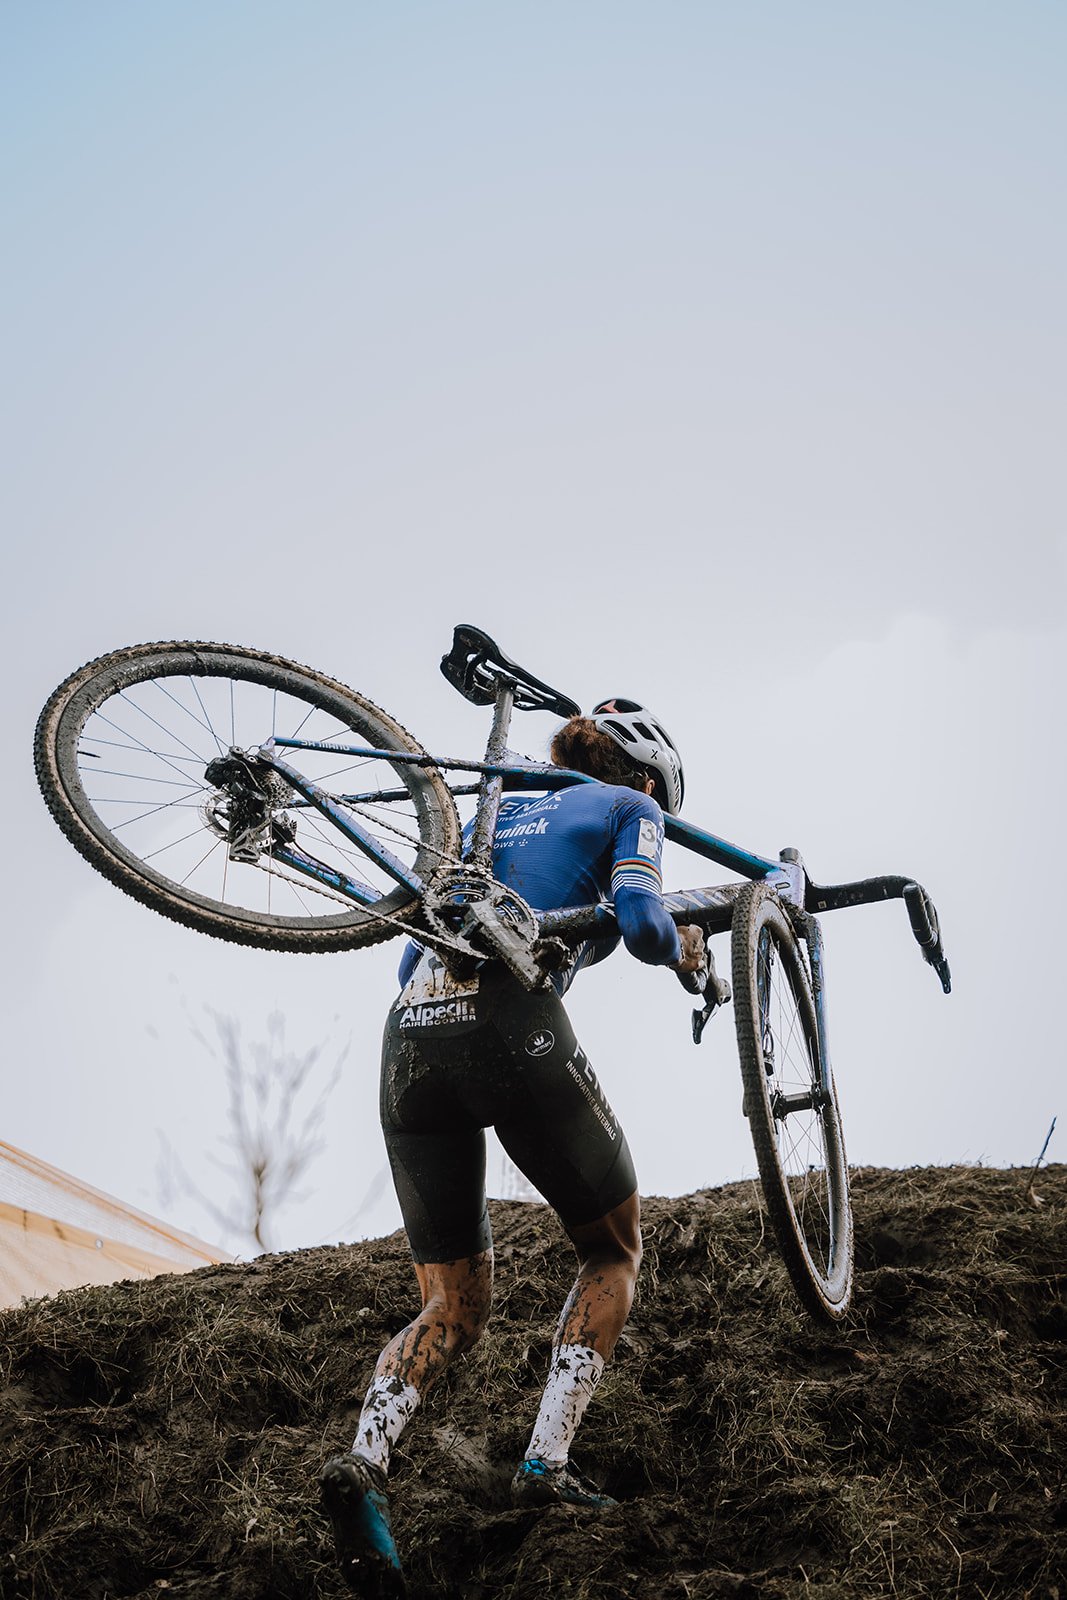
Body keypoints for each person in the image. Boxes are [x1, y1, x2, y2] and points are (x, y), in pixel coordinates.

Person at [320, 699, 705, 1597]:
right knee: (612, 1248)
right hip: (512, 1026)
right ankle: (547, 1462)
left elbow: (406, 959)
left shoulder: (488, 810)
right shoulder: (626, 808)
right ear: (647, 779)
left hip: (409, 1036)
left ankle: (363, 1466)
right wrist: (683, 950)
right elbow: (645, 922)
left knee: (449, 1305)